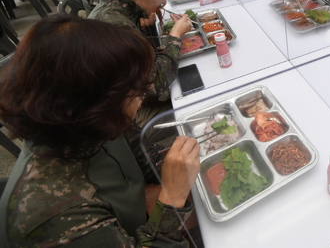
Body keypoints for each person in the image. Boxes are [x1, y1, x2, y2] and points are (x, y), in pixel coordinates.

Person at [0, 16, 200, 247]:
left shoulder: (90, 125)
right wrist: (173, 198)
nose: (141, 102)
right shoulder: (56, 216)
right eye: (134, 93)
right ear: (94, 104)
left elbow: (147, 160)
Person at [89, 0, 191, 122]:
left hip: (116, 101)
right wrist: (175, 35)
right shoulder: (118, 26)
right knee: (191, 106)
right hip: (116, 118)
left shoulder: (117, 7)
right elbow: (155, 83)